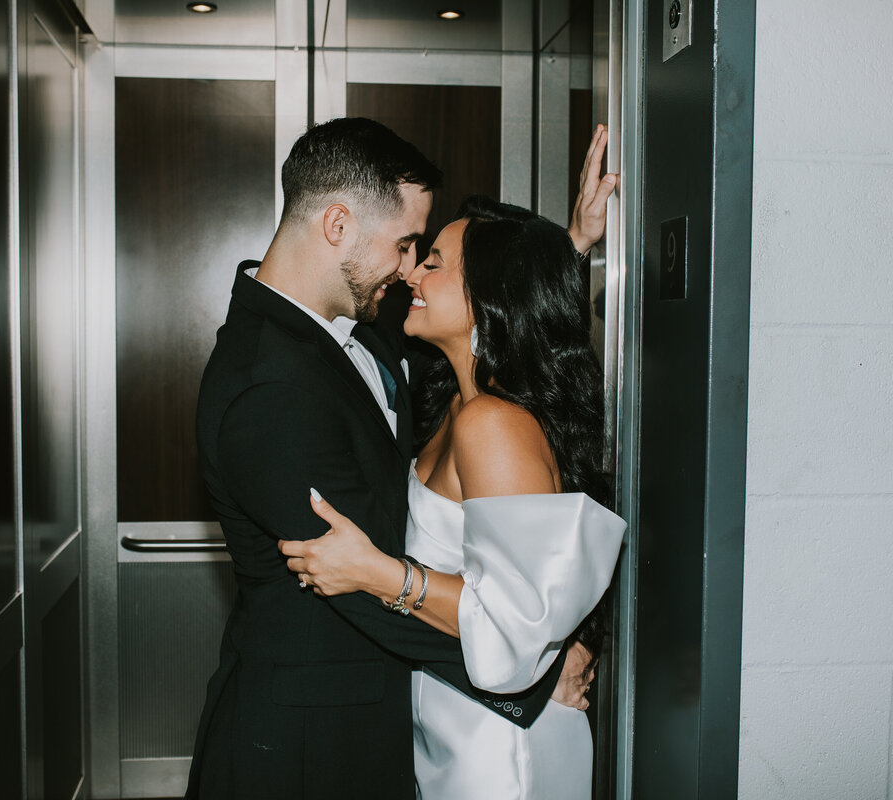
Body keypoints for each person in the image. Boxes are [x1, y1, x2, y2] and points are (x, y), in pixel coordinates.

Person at [185, 117, 604, 800]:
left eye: (424, 254)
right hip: (308, 740)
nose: (410, 269)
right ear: (338, 226)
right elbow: (355, 588)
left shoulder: (362, 323)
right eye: (406, 244)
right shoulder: (270, 385)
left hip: (405, 717)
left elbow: (493, 304)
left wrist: (567, 247)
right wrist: (532, 673)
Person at [279, 191, 626, 797]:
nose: (411, 272)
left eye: (434, 261)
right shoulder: (453, 407)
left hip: (499, 745)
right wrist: (569, 248)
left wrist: (376, 573)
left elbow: (511, 622)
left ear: (487, 296)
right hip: (454, 718)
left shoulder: (490, 423)